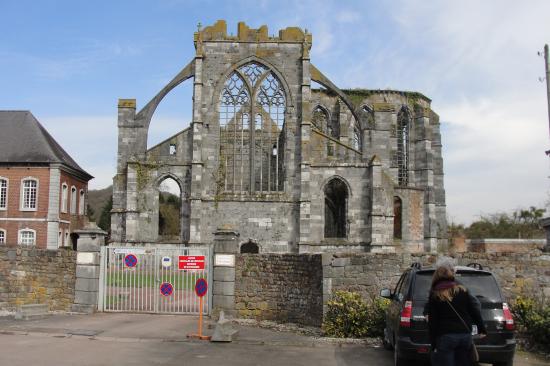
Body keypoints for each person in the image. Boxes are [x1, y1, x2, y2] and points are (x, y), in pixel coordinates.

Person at [424, 257, 487, 366]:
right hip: (464, 335)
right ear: (451, 273)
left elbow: (433, 321)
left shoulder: (436, 294)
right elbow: (474, 310)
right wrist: (482, 328)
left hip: (445, 336)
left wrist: (433, 343)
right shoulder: (462, 290)